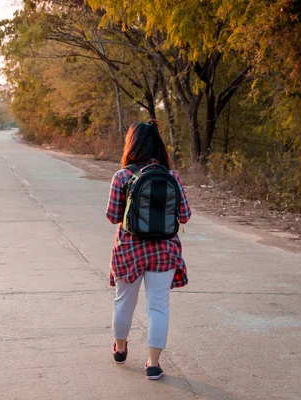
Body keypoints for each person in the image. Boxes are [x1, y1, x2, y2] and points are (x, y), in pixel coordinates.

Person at [105, 120, 192, 380]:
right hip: (164, 251)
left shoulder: (122, 176)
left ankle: (120, 349)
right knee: (158, 307)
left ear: (131, 144)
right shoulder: (171, 176)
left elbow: (112, 216)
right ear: (159, 145)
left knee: (123, 303)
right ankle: (153, 365)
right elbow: (185, 216)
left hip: (129, 249)